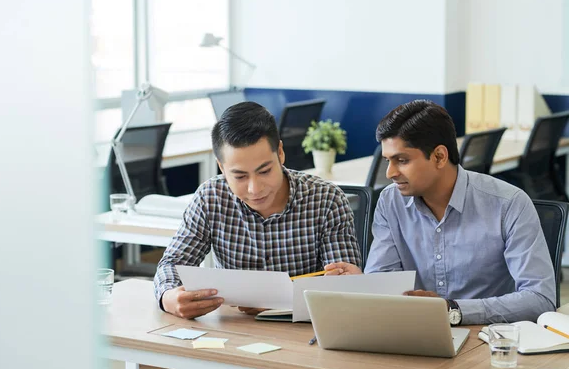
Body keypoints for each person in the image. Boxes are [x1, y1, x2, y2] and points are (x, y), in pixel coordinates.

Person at [325, 99, 556, 325]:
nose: (390, 173)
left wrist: (452, 309)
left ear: (439, 156)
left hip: (487, 341)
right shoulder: (390, 201)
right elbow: (385, 282)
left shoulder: (509, 204)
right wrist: (363, 284)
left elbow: (540, 299)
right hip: (414, 334)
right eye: (387, 160)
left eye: (402, 160)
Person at [154, 101, 362, 319]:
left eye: (264, 171)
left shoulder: (326, 199)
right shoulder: (210, 198)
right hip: (236, 330)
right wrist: (168, 297)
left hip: (305, 330)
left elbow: (343, 285)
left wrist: (285, 302)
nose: (255, 189)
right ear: (221, 167)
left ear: (280, 153)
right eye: (240, 176)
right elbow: (172, 264)